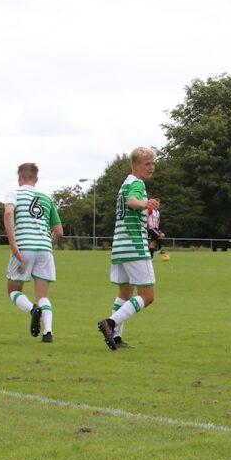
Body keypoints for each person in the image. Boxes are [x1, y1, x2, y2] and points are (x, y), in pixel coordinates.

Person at [97, 147, 160, 350]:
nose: (151, 168)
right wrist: (144, 204)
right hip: (135, 246)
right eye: (147, 164)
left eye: (153, 164)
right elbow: (132, 201)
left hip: (120, 247)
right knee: (148, 296)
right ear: (135, 165)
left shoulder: (124, 184)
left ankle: (115, 337)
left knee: (124, 293)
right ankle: (110, 323)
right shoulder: (137, 184)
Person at [4, 162, 63, 343]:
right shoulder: (46, 197)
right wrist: (46, 243)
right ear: (36, 179)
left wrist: (13, 243)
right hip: (45, 249)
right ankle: (48, 333)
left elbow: (8, 213)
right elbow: (59, 231)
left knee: (13, 290)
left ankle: (32, 310)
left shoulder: (14, 193)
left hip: (24, 247)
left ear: (19, 177)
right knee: (43, 295)